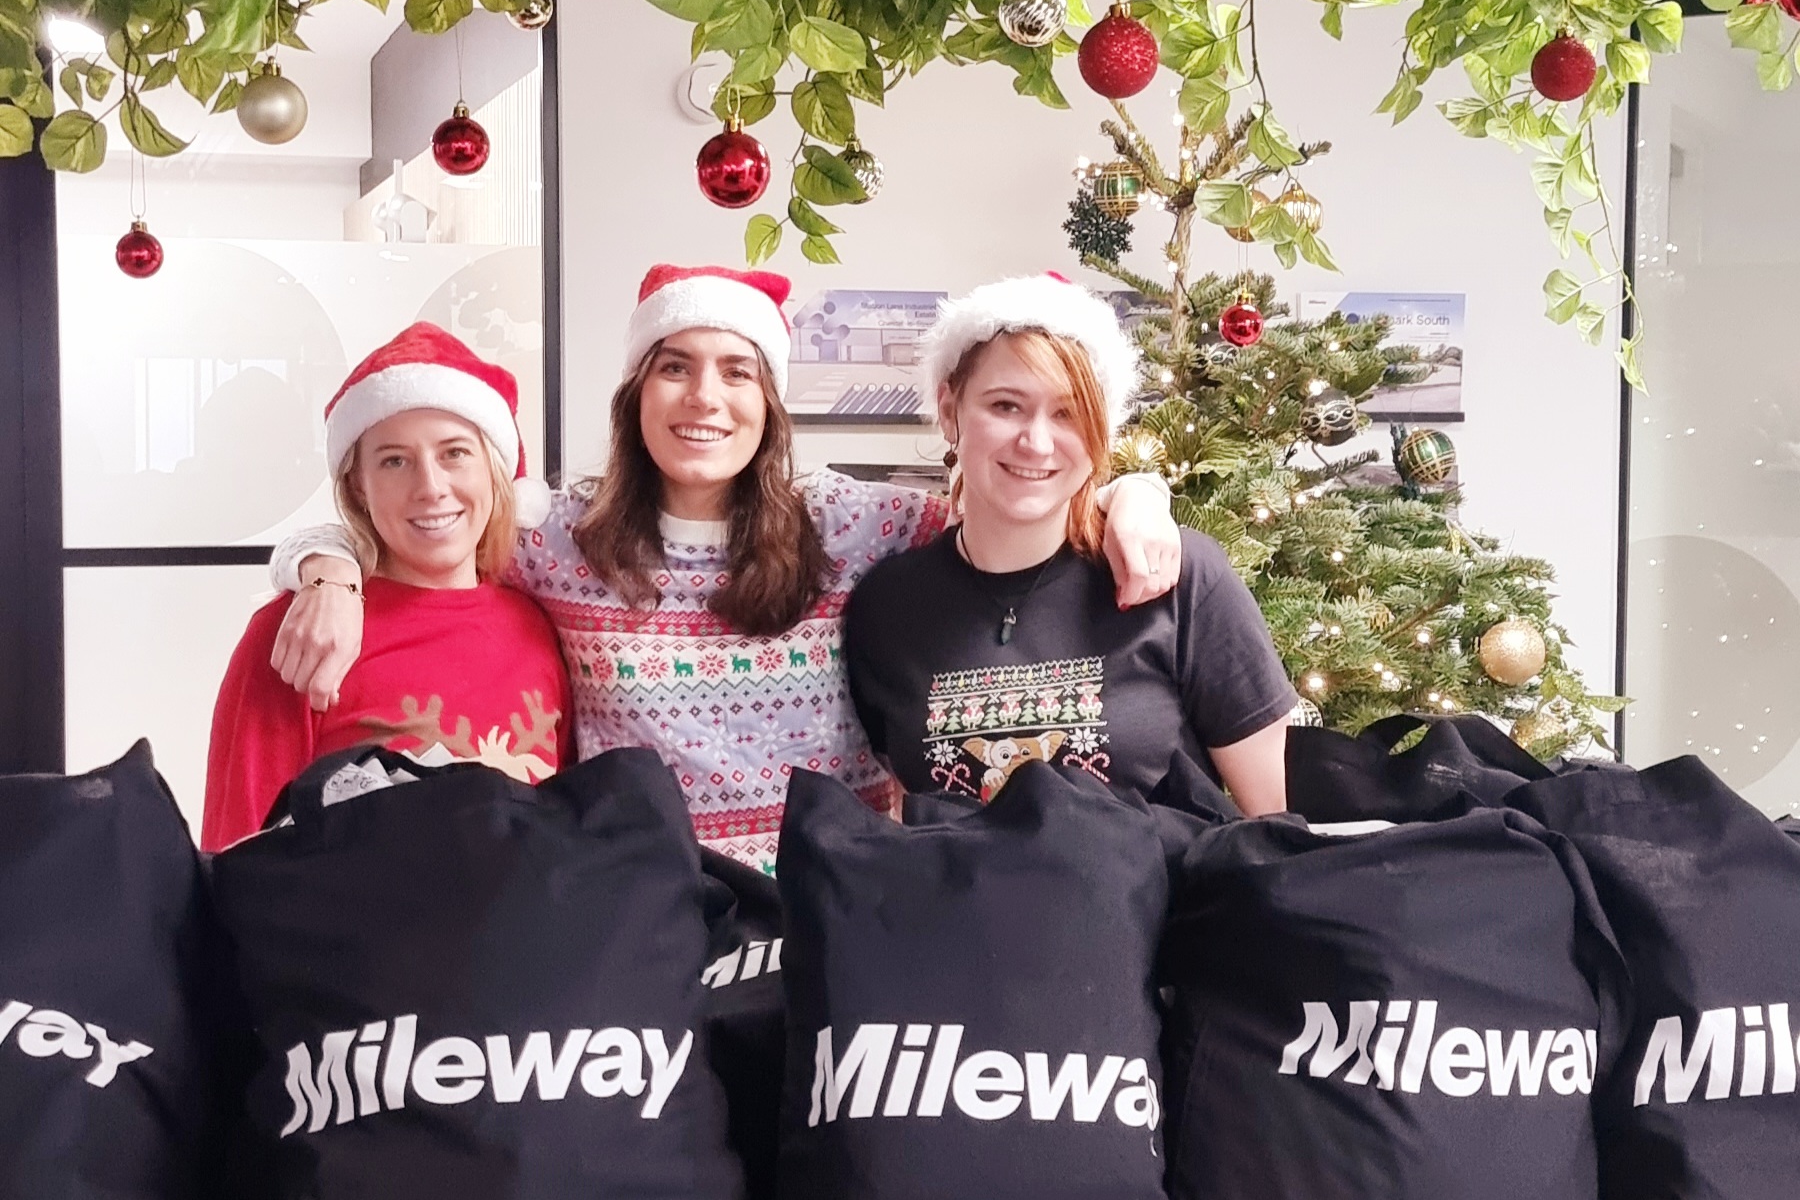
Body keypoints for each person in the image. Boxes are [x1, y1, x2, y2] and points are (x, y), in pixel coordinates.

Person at [265, 264, 1182, 868]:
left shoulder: (852, 521)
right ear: (637, 393)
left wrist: (1134, 493)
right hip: (649, 907)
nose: (706, 398)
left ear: (769, 403)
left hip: (837, 899)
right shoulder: (559, 537)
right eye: (676, 367)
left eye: (737, 372)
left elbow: (1018, 497)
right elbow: (431, 512)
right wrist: (327, 568)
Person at [842, 274, 1295, 816]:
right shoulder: (887, 606)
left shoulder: (1177, 575)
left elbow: (1274, 821)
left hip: (1169, 900)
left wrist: (1143, 488)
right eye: (1006, 405)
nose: (1036, 443)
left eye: (1068, 413)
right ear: (948, 409)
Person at [203, 327, 571, 850]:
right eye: (394, 460)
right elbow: (235, 853)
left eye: (455, 453)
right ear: (359, 484)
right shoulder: (299, 633)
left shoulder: (538, 624)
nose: (430, 488)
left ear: (495, 471)